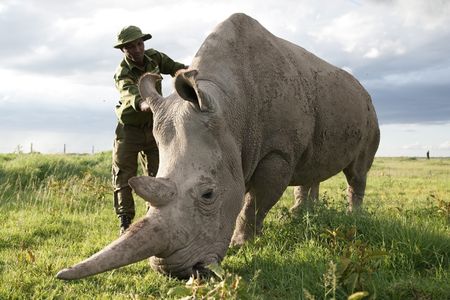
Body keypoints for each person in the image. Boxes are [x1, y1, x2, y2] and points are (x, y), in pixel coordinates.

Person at [112, 25, 187, 235]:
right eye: (130, 47)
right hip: (129, 130)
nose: (137, 49)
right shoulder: (122, 72)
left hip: (155, 127)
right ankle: (125, 223)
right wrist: (147, 103)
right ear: (123, 50)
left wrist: (191, 74)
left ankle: (154, 220)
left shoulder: (154, 58)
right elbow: (129, 93)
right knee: (124, 175)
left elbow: (176, 68)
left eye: (139, 44)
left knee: (157, 175)